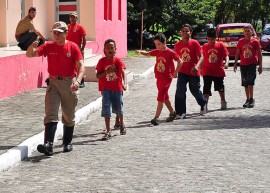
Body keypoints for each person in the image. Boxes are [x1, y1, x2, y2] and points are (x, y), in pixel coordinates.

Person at [26, 21, 85, 156]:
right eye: (54, 33)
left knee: (68, 115)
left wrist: (78, 81)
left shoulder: (73, 47)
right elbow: (30, 54)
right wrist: (32, 46)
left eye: (59, 33)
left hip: (69, 83)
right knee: (51, 114)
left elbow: (81, 66)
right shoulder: (49, 46)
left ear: (66, 33)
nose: (56, 35)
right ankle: (49, 145)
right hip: (53, 83)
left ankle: (67, 142)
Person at [135, 33, 182, 126]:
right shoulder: (157, 51)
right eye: (156, 44)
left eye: (159, 44)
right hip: (158, 77)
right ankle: (172, 113)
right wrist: (140, 51)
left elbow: (180, 61)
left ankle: (156, 117)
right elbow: (148, 54)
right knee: (165, 96)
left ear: (164, 42)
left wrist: (175, 72)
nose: (157, 46)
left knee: (161, 96)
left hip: (167, 78)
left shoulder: (171, 52)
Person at [96, 39, 127, 140]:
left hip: (117, 89)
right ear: (104, 50)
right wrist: (107, 72)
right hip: (106, 89)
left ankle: (121, 124)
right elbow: (98, 75)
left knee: (119, 108)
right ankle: (108, 130)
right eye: (107, 48)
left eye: (111, 48)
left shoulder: (117, 61)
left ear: (115, 49)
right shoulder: (102, 61)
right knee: (106, 109)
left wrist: (124, 83)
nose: (110, 50)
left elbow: (123, 72)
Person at [174, 24, 207, 119]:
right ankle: (180, 112)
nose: (185, 33)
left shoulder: (195, 43)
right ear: (180, 32)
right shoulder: (177, 45)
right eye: (183, 31)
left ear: (190, 32)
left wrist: (197, 66)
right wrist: (175, 71)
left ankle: (203, 102)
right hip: (182, 71)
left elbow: (202, 57)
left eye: (187, 31)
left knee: (195, 91)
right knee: (180, 91)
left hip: (193, 71)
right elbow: (177, 59)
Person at [197, 28, 229, 110]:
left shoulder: (220, 45)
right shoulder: (204, 46)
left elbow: (226, 55)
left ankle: (223, 100)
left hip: (218, 71)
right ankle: (205, 105)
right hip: (207, 70)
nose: (210, 41)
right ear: (207, 38)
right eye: (209, 39)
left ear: (216, 38)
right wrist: (200, 68)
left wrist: (226, 63)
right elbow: (202, 58)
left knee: (220, 87)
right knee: (206, 88)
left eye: (212, 39)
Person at [234, 24, 263, 108]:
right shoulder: (240, 41)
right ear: (243, 32)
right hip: (243, 64)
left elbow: (260, 54)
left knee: (250, 80)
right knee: (245, 82)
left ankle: (251, 99)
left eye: (248, 31)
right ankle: (247, 99)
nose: (247, 32)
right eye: (245, 31)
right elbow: (237, 53)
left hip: (252, 64)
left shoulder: (255, 41)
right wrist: (235, 63)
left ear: (252, 32)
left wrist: (260, 65)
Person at [66, 12, 87, 88]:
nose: (72, 18)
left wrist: (82, 49)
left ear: (76, 18)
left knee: (80, 65)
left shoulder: (80, 27)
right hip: (69, 49)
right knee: (71, 65)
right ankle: (73, 80)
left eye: (73, 17)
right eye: (71, 17)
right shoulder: (67, 27)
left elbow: (84, 39)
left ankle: (82, 81)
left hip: (78, 49)